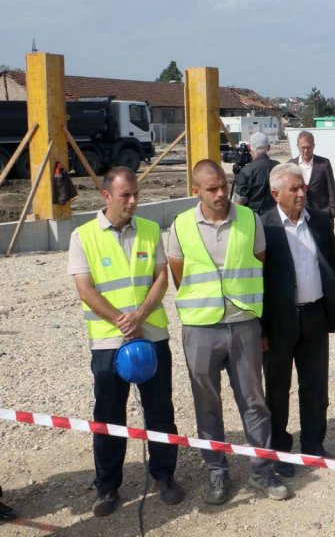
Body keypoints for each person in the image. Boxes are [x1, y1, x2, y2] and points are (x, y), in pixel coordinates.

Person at [167, 159, 290, 503]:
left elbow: (259, 264)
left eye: (223, 186)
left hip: (243, 324)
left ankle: (262, 471)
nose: (221, 193)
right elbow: (178, 275)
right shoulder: (181, 226)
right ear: (196, 191)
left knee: (254, 402)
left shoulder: (249, 219)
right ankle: (216, 472)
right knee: (207, 403)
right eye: (212, 189)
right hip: (200, 327)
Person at [68, 167, 183, 516]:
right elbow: (85, 290)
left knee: (159, 409)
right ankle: (107, 486)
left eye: (136, 194)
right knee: (108, 414)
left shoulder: (149, 230)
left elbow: (161, 277)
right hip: (109, 341)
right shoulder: (83, 236)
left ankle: (164, 475)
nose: (133, 201)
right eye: (125, 195)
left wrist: (140, 315)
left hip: (151, 335)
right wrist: (122, 320)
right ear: (107, 196)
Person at [261, 163, 335, 476]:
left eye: (303, 187)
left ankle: (313, 446)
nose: (302, 193)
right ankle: (279, 451)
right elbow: (256, 281)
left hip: (315, 316)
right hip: (279, 323)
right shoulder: (263, 227)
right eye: (294, 189)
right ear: (275, 194)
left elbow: (333, 265)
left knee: (315, 387)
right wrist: (261, 328)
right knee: (277, 389)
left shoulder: (320, 221)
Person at [289, 130, 335, 219]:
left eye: (308, 147)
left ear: (313, 146)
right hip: (300, 215)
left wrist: (332, 211)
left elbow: (332, 188)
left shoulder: (324, 164)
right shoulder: (290, 165)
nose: (306, 151)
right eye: (303, 147)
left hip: (322, 214)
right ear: (297, 146)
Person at [232, 132, 279, 215]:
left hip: (254, 218)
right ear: (268, 147)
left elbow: (238, 202)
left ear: (249, 148)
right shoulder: (278, 166)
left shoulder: (247, 171)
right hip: (276, 217)